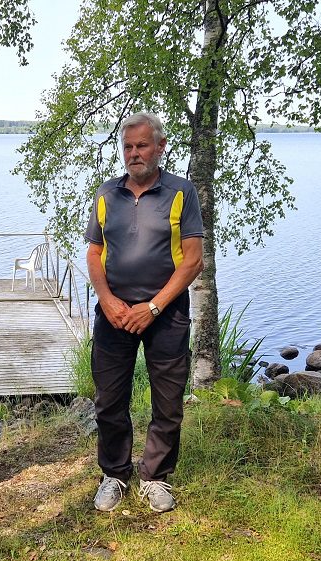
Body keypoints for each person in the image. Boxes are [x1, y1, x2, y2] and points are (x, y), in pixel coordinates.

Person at [84, 112, 204, 513]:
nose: (134, 154)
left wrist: (153, 307)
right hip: (114, 315)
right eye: (128, 147)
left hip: (164, 314)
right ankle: (115, 474)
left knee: (167, 401)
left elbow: (193, 261)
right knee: (109, 399)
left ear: (160, 147)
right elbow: (94, 252)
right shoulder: (106, 194)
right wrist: (106, 299)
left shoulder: (181, 192)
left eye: (142, 145)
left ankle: (155, 477)